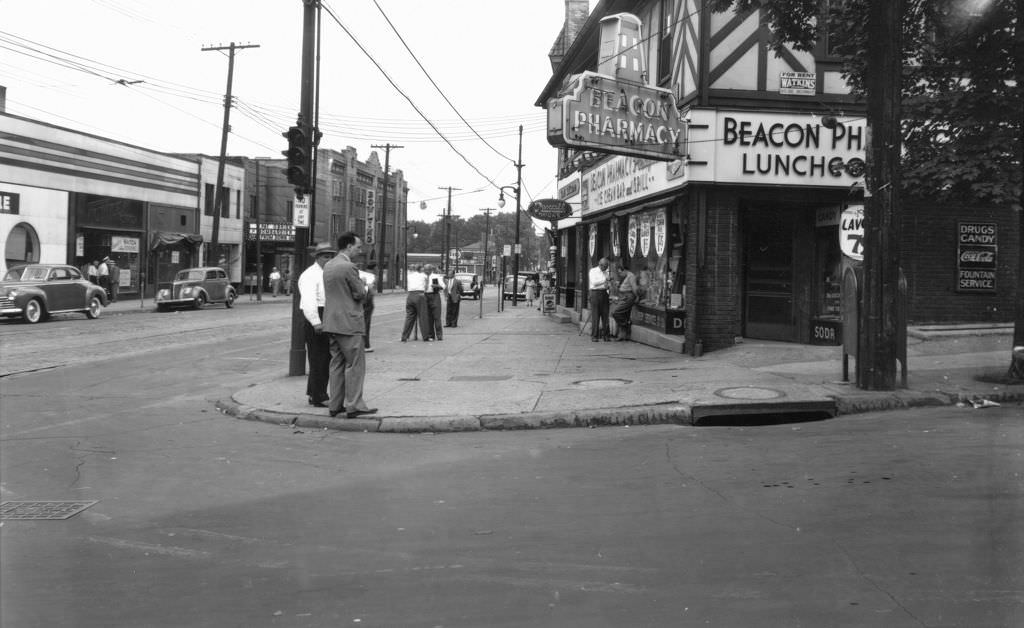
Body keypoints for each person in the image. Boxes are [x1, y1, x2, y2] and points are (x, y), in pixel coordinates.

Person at [322, 232, 376, 419]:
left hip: (331, 321)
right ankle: (354, 405)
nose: (359, 251)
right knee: (355, 364)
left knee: (336, 364)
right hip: (349, 322)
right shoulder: (349, 267)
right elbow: (360, 293)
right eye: (358, 247)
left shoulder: (328, 265)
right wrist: (365, 286)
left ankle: (335, 405)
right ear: (348, 246)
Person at [298, 241, 336, 407]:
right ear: (318, 257)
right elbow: (308, 300)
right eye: (325, 256)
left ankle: (314, 392)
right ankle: (319, 395)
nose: (328, 259)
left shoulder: (325, 273)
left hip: (326, 314)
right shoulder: (310, 275)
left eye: (330, 256)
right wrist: (315, 322)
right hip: (317, 316)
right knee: (319, 358)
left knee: (324, 357)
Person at [401, 264, 429, 342]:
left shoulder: (409, 276)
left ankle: (404, 336)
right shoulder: (423, 276)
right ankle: (425, 336)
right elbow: (426, 287)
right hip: (419, 295)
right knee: (423, 316)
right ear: (420, 270)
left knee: (409, 317)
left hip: (410, 296)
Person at [611, 262, 639, 341]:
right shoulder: (626, 276)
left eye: (620, 272)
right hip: (624, 297)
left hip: (629, 297)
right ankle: (623, 335)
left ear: (624, 270)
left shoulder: (631, 276)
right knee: (624, 315)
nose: (620, 274)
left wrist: (637, 296)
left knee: (615, 312)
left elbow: (634, 288)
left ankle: (626, 324)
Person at [588, 257, 611, 342]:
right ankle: (595, 336)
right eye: (606, 266)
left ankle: (606, 335)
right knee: (596, 315)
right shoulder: (593, 271)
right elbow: (594, 282)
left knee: (605, 315)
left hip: (604, 293)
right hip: (595, 293)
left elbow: (606, 283)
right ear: (601, 265)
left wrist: (608, 285)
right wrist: (605, 279)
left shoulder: (605, 272)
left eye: (607, 266)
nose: (606, 268)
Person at [359, 261, 377, 352]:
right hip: (367, 301)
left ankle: (361, 344)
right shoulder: (371, 276)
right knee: (366, 323)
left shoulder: (360, 273)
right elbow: (370, 288)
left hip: (360, 301)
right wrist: (374, 292)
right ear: (374, 268)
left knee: (360, 323)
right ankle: (366, 345)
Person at [423, 264, 444, 341]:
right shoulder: (423, 277)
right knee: (428, 317)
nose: (425, 271)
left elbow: (443, 286)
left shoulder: (436, 276)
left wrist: (437, 286)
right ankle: (431, 335)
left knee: (436, 317)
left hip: (434, 296)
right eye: (424, 270)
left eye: (427, 270)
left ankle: (439, 335)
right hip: (425, 296)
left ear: (431, 270)